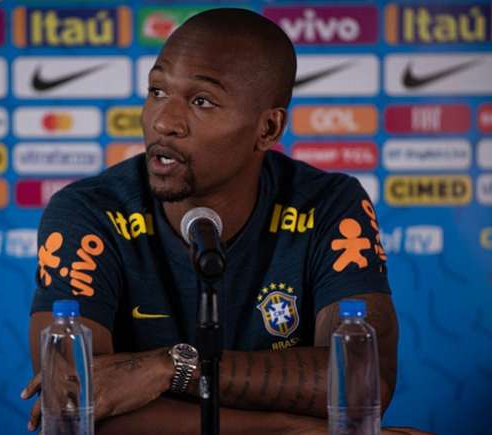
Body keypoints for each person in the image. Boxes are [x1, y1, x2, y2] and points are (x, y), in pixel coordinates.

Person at [22, 8, 399, 435]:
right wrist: (291, 429)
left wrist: (171, 367)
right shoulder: (88, 212)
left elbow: (363, 382)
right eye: (158, 90)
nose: (163, 121)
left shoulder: (329, 205)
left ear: (268, 128)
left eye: (201, 101)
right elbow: (72, 402)